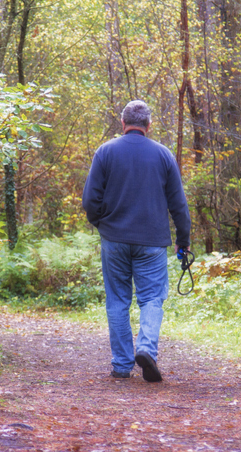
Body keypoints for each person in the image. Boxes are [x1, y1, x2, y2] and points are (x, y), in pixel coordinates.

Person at [82, 100, 191, 382]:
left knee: (117, 301)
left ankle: (121, 365)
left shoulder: (105, 152)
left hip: (114, 239)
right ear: (148, 125)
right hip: (153, 242)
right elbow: (178, 204)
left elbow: (89, 200)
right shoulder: (163, 155)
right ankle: (145, 349)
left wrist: (103, 224)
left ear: (123, 123)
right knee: (152, 298)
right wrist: (183, 239)